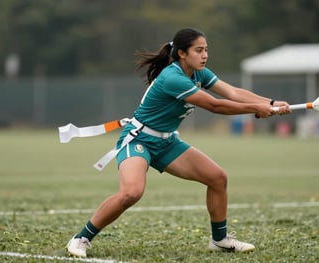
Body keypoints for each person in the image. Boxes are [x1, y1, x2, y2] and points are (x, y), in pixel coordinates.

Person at [66, 28, 291, 257]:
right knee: (131, 193)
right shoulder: (172, 78)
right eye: (199, 50)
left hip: (167, 142)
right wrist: (257, 108)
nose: (205, 55)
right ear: (182, 53)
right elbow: (215, 105)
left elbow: (232, 92)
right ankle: (81, 238)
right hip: (139, 139)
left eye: (206, 50)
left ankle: (220, 240)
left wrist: (270, 103)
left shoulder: (198, 73)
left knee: (217, 178)